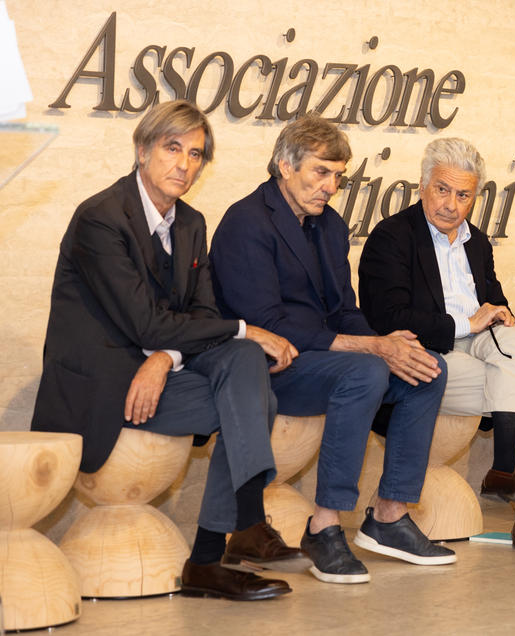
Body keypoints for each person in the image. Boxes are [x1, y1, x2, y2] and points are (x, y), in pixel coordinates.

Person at [31, 100, 309, 601]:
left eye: (195, 154)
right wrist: (245, 328)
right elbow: (145, 322)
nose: (184, 164)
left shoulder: (191, 224)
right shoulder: (100, 219)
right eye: (172, 148)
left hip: (160, 376)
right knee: (257, 393)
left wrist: (165, 359)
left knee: (245, 364)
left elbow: (200, 316)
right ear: (142, 151)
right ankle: (221, 546)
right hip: (104, 387)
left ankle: (224, 547)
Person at [210, 115, 453, 584]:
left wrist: (390, 345)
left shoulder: (330, 226)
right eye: (321, 172)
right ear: (285, 165)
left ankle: (389, 515)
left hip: (320, 361)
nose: (330, 187)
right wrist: (371, 348)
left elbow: (344, 310)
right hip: (267, 368)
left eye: (338, 176)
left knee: (428, 368)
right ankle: (323, 527)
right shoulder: (247, 222)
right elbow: (268, 326)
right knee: (365, 372)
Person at [359, 137, 515, 556]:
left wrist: (504, 314)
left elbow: (493, 301)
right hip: (426, 356)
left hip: (479, 348)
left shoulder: (477, 243)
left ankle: (505, 470)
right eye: (442, 190)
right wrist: (467, 323)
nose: (451, 205)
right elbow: (388, 319)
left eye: (463, 195)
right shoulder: (391, 237)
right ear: (423, 186)